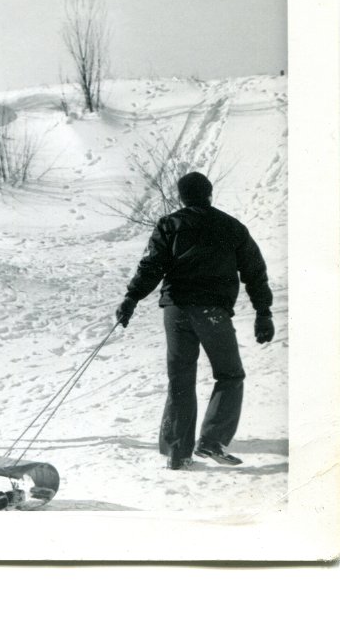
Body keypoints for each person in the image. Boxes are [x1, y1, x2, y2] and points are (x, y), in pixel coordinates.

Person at [115, 172, 275, 470]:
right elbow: (255, 271)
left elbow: (151, 265)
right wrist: (263, 312)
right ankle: (212, 441)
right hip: (211, 310)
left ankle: (178, 452)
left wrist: (131, 298)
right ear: (209, 194)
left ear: (181, 197)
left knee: (180, 379)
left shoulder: (170, 224)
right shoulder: (232, 227)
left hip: (176, 310)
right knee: (229, 375)